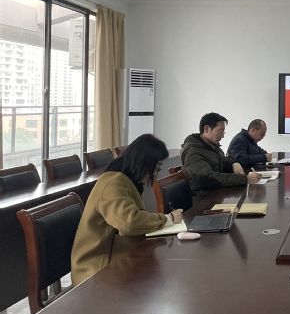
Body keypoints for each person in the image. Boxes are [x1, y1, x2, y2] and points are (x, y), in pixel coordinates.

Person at [71, 134, 183, 285]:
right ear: (143, 163)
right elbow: (129, 222)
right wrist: (167, 219)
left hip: (116, 256)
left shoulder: (126, 179)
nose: (155, 175)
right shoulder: (113, 182)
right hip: (96, 270)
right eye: (155, 169)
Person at [181, 112, 261, 191]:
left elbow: (224, 161)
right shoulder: (193, 153)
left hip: (217, 191)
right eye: (220, 131)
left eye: (223, 132)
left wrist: (234, 163)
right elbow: (208, 178)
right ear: (206, 129)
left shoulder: (212, 147)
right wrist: (244, 179)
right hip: (205, 196)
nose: (222, 136)